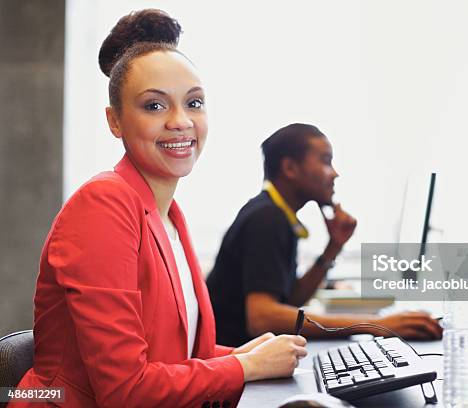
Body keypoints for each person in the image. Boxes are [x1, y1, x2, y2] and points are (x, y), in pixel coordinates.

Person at [11, 10, 306, 408]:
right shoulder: (103, 205)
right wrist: (246, 368)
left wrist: (241, 356)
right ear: (115, 121)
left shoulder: (168, 215)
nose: (180, 122)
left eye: (194, 103)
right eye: (154, 106)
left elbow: (171, 359)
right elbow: (126, 391)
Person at [206, 123, 443, 347]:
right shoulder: (267, 218)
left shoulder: (276, 214)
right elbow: (262, 319)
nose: (335, 173)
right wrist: (374, 324)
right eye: (326, 161)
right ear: (290, 168)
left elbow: (288, 303)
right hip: (234, 364)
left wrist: (334, 247)